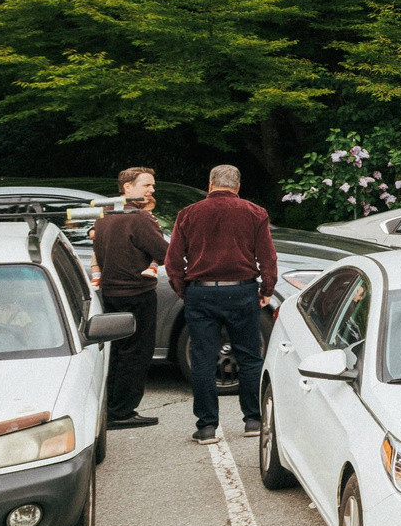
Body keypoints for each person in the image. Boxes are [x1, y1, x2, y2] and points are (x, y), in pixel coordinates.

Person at [164, 163, 278, 444]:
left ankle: (207, 427)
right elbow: (267, 257)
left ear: (210, 184)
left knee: (203, 358)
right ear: (238, 186)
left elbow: (173, 260)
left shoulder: (188, 214)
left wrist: (183, 289)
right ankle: (253, 419)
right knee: (250, 356)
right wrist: (267, 288)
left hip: (201, 293)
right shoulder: (255, 213)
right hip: (242, 291)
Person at [91, 165, 169, 429]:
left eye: (152, 185)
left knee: (116, 354)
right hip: (137, 293)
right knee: (136, 354)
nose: (152, 190)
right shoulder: (139, 218)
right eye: (147, 185)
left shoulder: (104, 215)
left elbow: (99, 253)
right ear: (128, 187)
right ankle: (123, 411)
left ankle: (110, 407)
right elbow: (164, 253)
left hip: (110, 293)